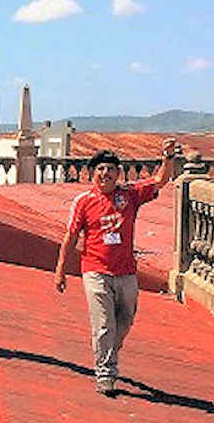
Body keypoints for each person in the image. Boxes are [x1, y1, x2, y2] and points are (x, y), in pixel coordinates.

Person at [54, 140, 179, 396]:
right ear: (93, 174)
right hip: (95, 271)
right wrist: (61, 270)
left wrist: (167, 157)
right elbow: (70, 236)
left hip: (126, 273)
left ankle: (110, 350)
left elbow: (159, 180)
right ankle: (105, 373)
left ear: (117, 173)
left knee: (125, 320)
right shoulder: (83, 201)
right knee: (103, 325)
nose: (105, 174)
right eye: (100, 169)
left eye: (110, 169)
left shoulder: (129, 195)